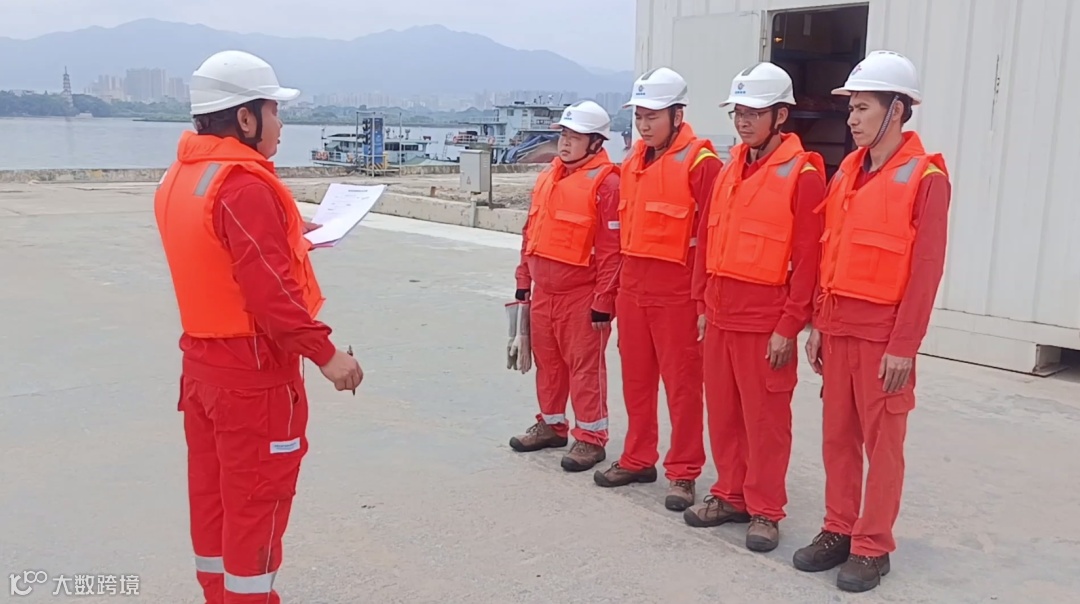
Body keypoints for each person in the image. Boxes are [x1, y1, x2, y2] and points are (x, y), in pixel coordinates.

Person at [153, 50, 363, 604]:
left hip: (203, 369)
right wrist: (327, 355)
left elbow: (220, 254)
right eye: (274, 111)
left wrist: (294, 233)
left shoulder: (182, 175)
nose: (281, 124)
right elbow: (270, 296)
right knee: (255, 509)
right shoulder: (244, 187)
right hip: (253, 378)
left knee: (214, 502)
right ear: (246, 117)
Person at [793, 50, 951, 593]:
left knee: (883, 444)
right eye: (851, 108)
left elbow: (926, 270)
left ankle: (872, 545)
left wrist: (905, 345)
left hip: (885, 335)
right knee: (837, 438)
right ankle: (838, 528)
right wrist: (818, 323)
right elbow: (830, 250)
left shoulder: (926, 177)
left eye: (863, 108)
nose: (852, 119)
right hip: (838, 327)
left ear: (897, 110)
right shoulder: (847, 172)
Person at [683, 62, 826, 552]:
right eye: (738, 112)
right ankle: (730, 494)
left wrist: (790, 324)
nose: (743, 121)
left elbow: (809, 259)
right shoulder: (730, 168)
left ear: (780, 115)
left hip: (765, 320)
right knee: (723, 413)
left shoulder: (804, 173)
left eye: (753, 113)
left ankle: (766, 510)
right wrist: (702, 302)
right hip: (721, 312)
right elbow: (708, 240)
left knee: (765, 421)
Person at [593, 67, 723, 512]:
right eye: (639, 117)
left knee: (682, 387)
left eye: (652, 116)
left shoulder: (703, 164)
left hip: (677, 292)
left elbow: (713, 236)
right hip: (633, 288)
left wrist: (704, 299)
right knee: (637, 380)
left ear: (677, 115)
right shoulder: (632, 163)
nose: (644, 125)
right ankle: (637, 457)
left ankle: (683, 472)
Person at [509, 100, 621, 472]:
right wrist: (523, 282)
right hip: (545, 292)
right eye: (564, 135)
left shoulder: (607, 184)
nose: (566, 143)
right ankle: (552, 424)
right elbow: (531, 233)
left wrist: (604, 299)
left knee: (585, 368)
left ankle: (591, 438)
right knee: (548, 363)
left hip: (581, 295)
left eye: (576, 137)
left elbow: (612, 251)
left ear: (596, 142)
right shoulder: (548, 177)